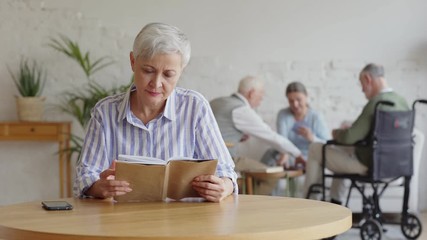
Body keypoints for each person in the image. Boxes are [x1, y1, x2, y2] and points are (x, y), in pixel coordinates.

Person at [73, 22, 237, 203]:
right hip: (123, 224)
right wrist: (99, 187)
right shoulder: (105, 112)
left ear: (181, 71)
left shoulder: (195, 107)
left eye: (168, 74)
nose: (157, 83)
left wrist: (223, 187)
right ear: (133, 62)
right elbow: (85, 177)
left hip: (185, 223)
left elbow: (226, 172)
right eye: (148, 71)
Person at [303, 63, 410, 204]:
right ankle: (335, 200)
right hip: (395, 165)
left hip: (370, 164)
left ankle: (308, 202)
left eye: (362, 84)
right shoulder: (402, 102)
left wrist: (337, 133)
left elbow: (349, 138)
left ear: (368, 78)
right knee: (339, 151)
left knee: (316, 149)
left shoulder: (375, 103)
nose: (362, 90)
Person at [210, 75, 305, 195]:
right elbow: (270, 136)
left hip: (205, 159)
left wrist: (238, 135)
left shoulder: (216, 102)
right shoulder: (241, 109)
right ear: (251, 93)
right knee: (271, 175)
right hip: (226, 159)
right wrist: (297, 153)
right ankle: (250, 208)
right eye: (260, 97)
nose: (260, 101)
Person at [274, 81, 330, 167]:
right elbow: (282, 140)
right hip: (289, 155)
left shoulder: (316, 117)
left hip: (310, 157)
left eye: (298, 100)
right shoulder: (283, 115)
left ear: (306, 96)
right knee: (272, 158)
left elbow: (328, 144)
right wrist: (285, 152)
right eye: (291, 101)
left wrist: (312, 138)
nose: (295, 105)